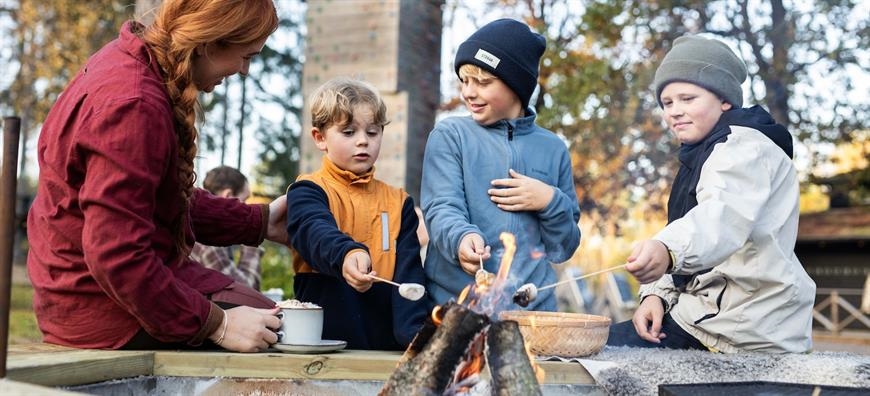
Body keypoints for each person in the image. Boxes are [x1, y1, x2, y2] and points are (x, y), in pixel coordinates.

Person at [26, 0, 286, 353]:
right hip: (103, 307)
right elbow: (116, 254)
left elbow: (152, 200)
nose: (244, 71)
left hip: (90, 294)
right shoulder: (134, 104)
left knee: (262, 314)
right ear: (209, 42)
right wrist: (219, 324)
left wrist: (260, 221)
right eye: (247, 56)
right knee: (270, 326)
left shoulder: (127, 61)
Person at [609, 35, 816, 353]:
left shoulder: (745, 148)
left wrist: (667, 250)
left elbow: (719, 218)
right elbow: (688, 226)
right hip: (705, 315)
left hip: (740, 331)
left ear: (724, 100)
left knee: (604, 351)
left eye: (687, 98)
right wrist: (656, 294)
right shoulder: (704, 153)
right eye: (667, 103)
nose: (675, 111)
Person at [420, 18, 581, 312]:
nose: (469, 92)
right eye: (465, 81)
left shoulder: (554, 148)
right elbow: (441, 207)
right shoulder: (450, 136)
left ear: (516, 86)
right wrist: (461, 238)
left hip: (532, 316)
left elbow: (563, 248)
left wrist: (549, 200)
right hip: (458, 310)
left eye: (483, 82)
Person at [285, 77, 428, 350]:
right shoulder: (307, 190)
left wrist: (415, 341)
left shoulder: (400, 202)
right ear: (320, 138)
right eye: (349, 132)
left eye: (372, 132)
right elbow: (314, 231)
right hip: (321, 345)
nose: (363, 141)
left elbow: (409, 276)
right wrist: (347, 254)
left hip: (384, 350)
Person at [190, 166, 264, 290]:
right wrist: (253, 240)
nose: (247, 207)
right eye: (244, 200)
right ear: (228, 196)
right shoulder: (208, 238)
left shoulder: (197, 225)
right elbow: (243, 293)